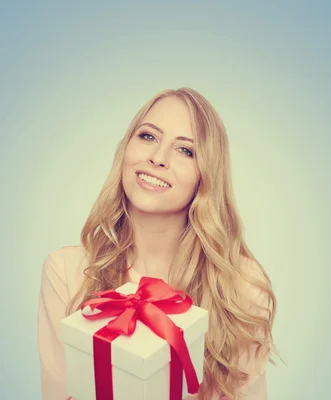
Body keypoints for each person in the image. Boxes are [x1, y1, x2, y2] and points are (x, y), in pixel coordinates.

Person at [37, 88, 277, 400]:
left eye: (186, 151)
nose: (157, 158)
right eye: (148, 136)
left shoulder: (241, 287)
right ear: (126, 148)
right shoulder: (67, 271)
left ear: (205, 177)